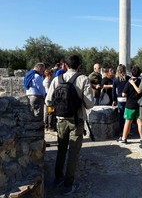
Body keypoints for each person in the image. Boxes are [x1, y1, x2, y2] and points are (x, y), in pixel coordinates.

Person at [45, 55, 94, 195]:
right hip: (76, 120)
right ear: (79, 66)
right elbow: (90, 103)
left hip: (60, 120)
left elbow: (48, 101)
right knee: (73, 152)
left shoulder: (57, 79)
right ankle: (68, 185)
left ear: (66, 65)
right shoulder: (83, 79)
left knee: (61, 149)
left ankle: (58, 177)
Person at [117, 65, 142, 143]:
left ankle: (124, 138)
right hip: (139, 104)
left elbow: (124, 94)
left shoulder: (129, 82)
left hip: (130, 105)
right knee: (139, 122)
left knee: (128, 122)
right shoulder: (141, 81)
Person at [112, 64, 130, 139]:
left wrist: (114, 100)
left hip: (120, 99)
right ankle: (128, 132)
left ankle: (121, 132)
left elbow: (113, 91)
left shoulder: (115, 80)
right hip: (127, 98)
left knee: (121, 116)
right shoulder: (128, 78)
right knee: (128, 117)